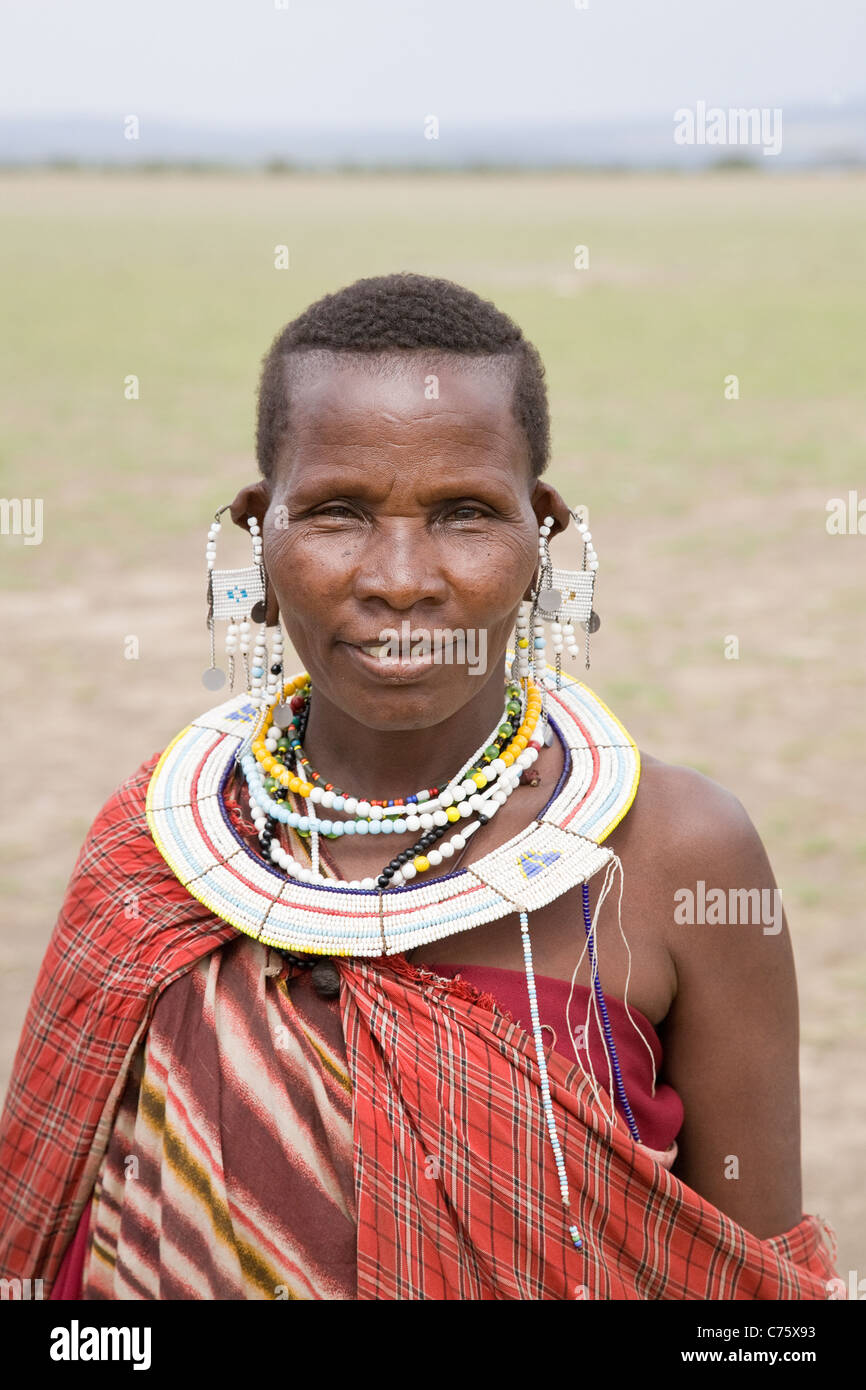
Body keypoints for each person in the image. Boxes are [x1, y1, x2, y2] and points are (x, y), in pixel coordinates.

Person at [0, 273, 842, 1300]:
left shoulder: (675, 855)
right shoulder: (158, 847)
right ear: (258, 537)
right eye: (337, 512)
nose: (399, 577)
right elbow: (44, 1235)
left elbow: (752, 1291)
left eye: (463, 514)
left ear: (541, 538)